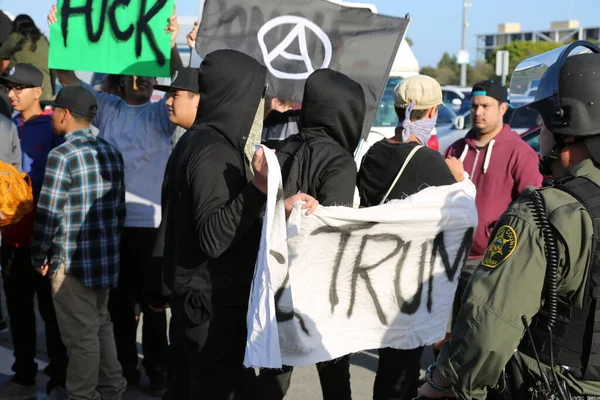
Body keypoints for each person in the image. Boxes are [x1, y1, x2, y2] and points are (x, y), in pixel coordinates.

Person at [418, 43, 600, 400]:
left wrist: (442, 384)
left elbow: (487, 330)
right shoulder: (462, 148)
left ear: (567, 129)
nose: (540, 131)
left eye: (544, 121)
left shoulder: (544, 213)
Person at [158, 49, 317, 400]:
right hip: (209, 313)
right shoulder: (213, 151)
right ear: (236, 94)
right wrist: (259, 186)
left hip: (201, 306)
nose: (258, 107)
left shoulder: (199, 141)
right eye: (255, 95)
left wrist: (277, 207)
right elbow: (214, 236)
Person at [49, 5, 184, 393]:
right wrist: (62, 37)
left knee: (155, 307)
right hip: (111, 224)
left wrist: (172, 45)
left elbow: (183, 84)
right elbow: (67, 80)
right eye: (133, 75)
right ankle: (123, 369)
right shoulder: (106, 109)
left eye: (148, 74)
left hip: (151, 226)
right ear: (119, 82)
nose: (141, 79)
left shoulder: (162, 114)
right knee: (118, 306)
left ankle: (157, 369)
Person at [256, 68, 365, 400]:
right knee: (334, 378)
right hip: (320, 288)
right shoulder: (340, 161)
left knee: (273, 377)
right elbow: (334, 226)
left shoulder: (282, 147)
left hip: (275, 278)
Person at [357, 75, 461, 400]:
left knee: (389, 367)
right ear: (431, 113)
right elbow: (455, 215)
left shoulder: (374, 153)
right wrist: (458, 178)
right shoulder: (430, 161)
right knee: (402, 371)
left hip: (377, 275)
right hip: (411, 284)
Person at [30, 85, 127, 400]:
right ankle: (113, 389)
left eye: (54, 110)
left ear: (64, 114)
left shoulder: (62, 155)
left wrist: (38, 255)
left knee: (82, 338)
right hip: (104, 261)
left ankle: (82, 396)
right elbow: (118, 211)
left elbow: (48, 213)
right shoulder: (111, 151)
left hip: (71, 264)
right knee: (101, 326)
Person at [443, 80, 542, 321]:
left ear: (503, 109)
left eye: (485, 106)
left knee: (472, 335)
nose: (478, 112)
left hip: (487, 262)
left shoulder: (520, 153)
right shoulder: (455, 149)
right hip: (448, 257)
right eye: (475, 105)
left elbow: (533, 209)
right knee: (441, 338)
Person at [0, 63, 68, 400]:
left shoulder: (53, 126)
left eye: (19, 87)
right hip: (11, 235)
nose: (12, 94)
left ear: (38, 92)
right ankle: (24, 376)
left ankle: (59, 377)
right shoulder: (5, 125)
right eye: (9, 88)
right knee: (18, 312)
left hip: (43, 237)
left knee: (51, 313)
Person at [0, 14, 52, 101]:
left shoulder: (16, 37)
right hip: (46, 93)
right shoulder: (44, 39)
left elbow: (1, 54)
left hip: (22, 94)